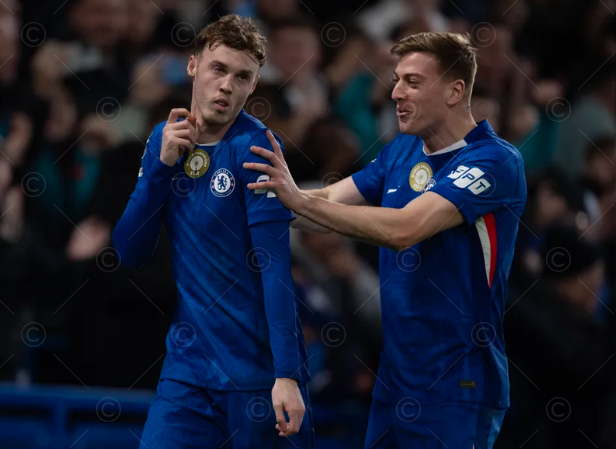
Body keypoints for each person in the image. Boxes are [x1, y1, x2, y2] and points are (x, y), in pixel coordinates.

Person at [244, 32, 527, 448]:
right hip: (395, 378)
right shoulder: (402, 150)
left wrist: (297, 200)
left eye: (413, 82)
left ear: (455, 91)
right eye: (396, 80)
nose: (396, 93)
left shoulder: (494, 160)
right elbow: (327, 201)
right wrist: (249, 198)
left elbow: (404, 229)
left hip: (457, 383)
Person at [112, 15, 313, 449]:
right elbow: (129, 252)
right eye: (218, 69)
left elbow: (275, 266)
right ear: (192, 66)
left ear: (254, 85)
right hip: (187, 372)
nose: (226, 86)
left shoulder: (257, 148)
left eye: (242, 77)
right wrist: (160, 170)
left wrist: (287, 374)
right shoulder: (163, 139)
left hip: (256, 375)